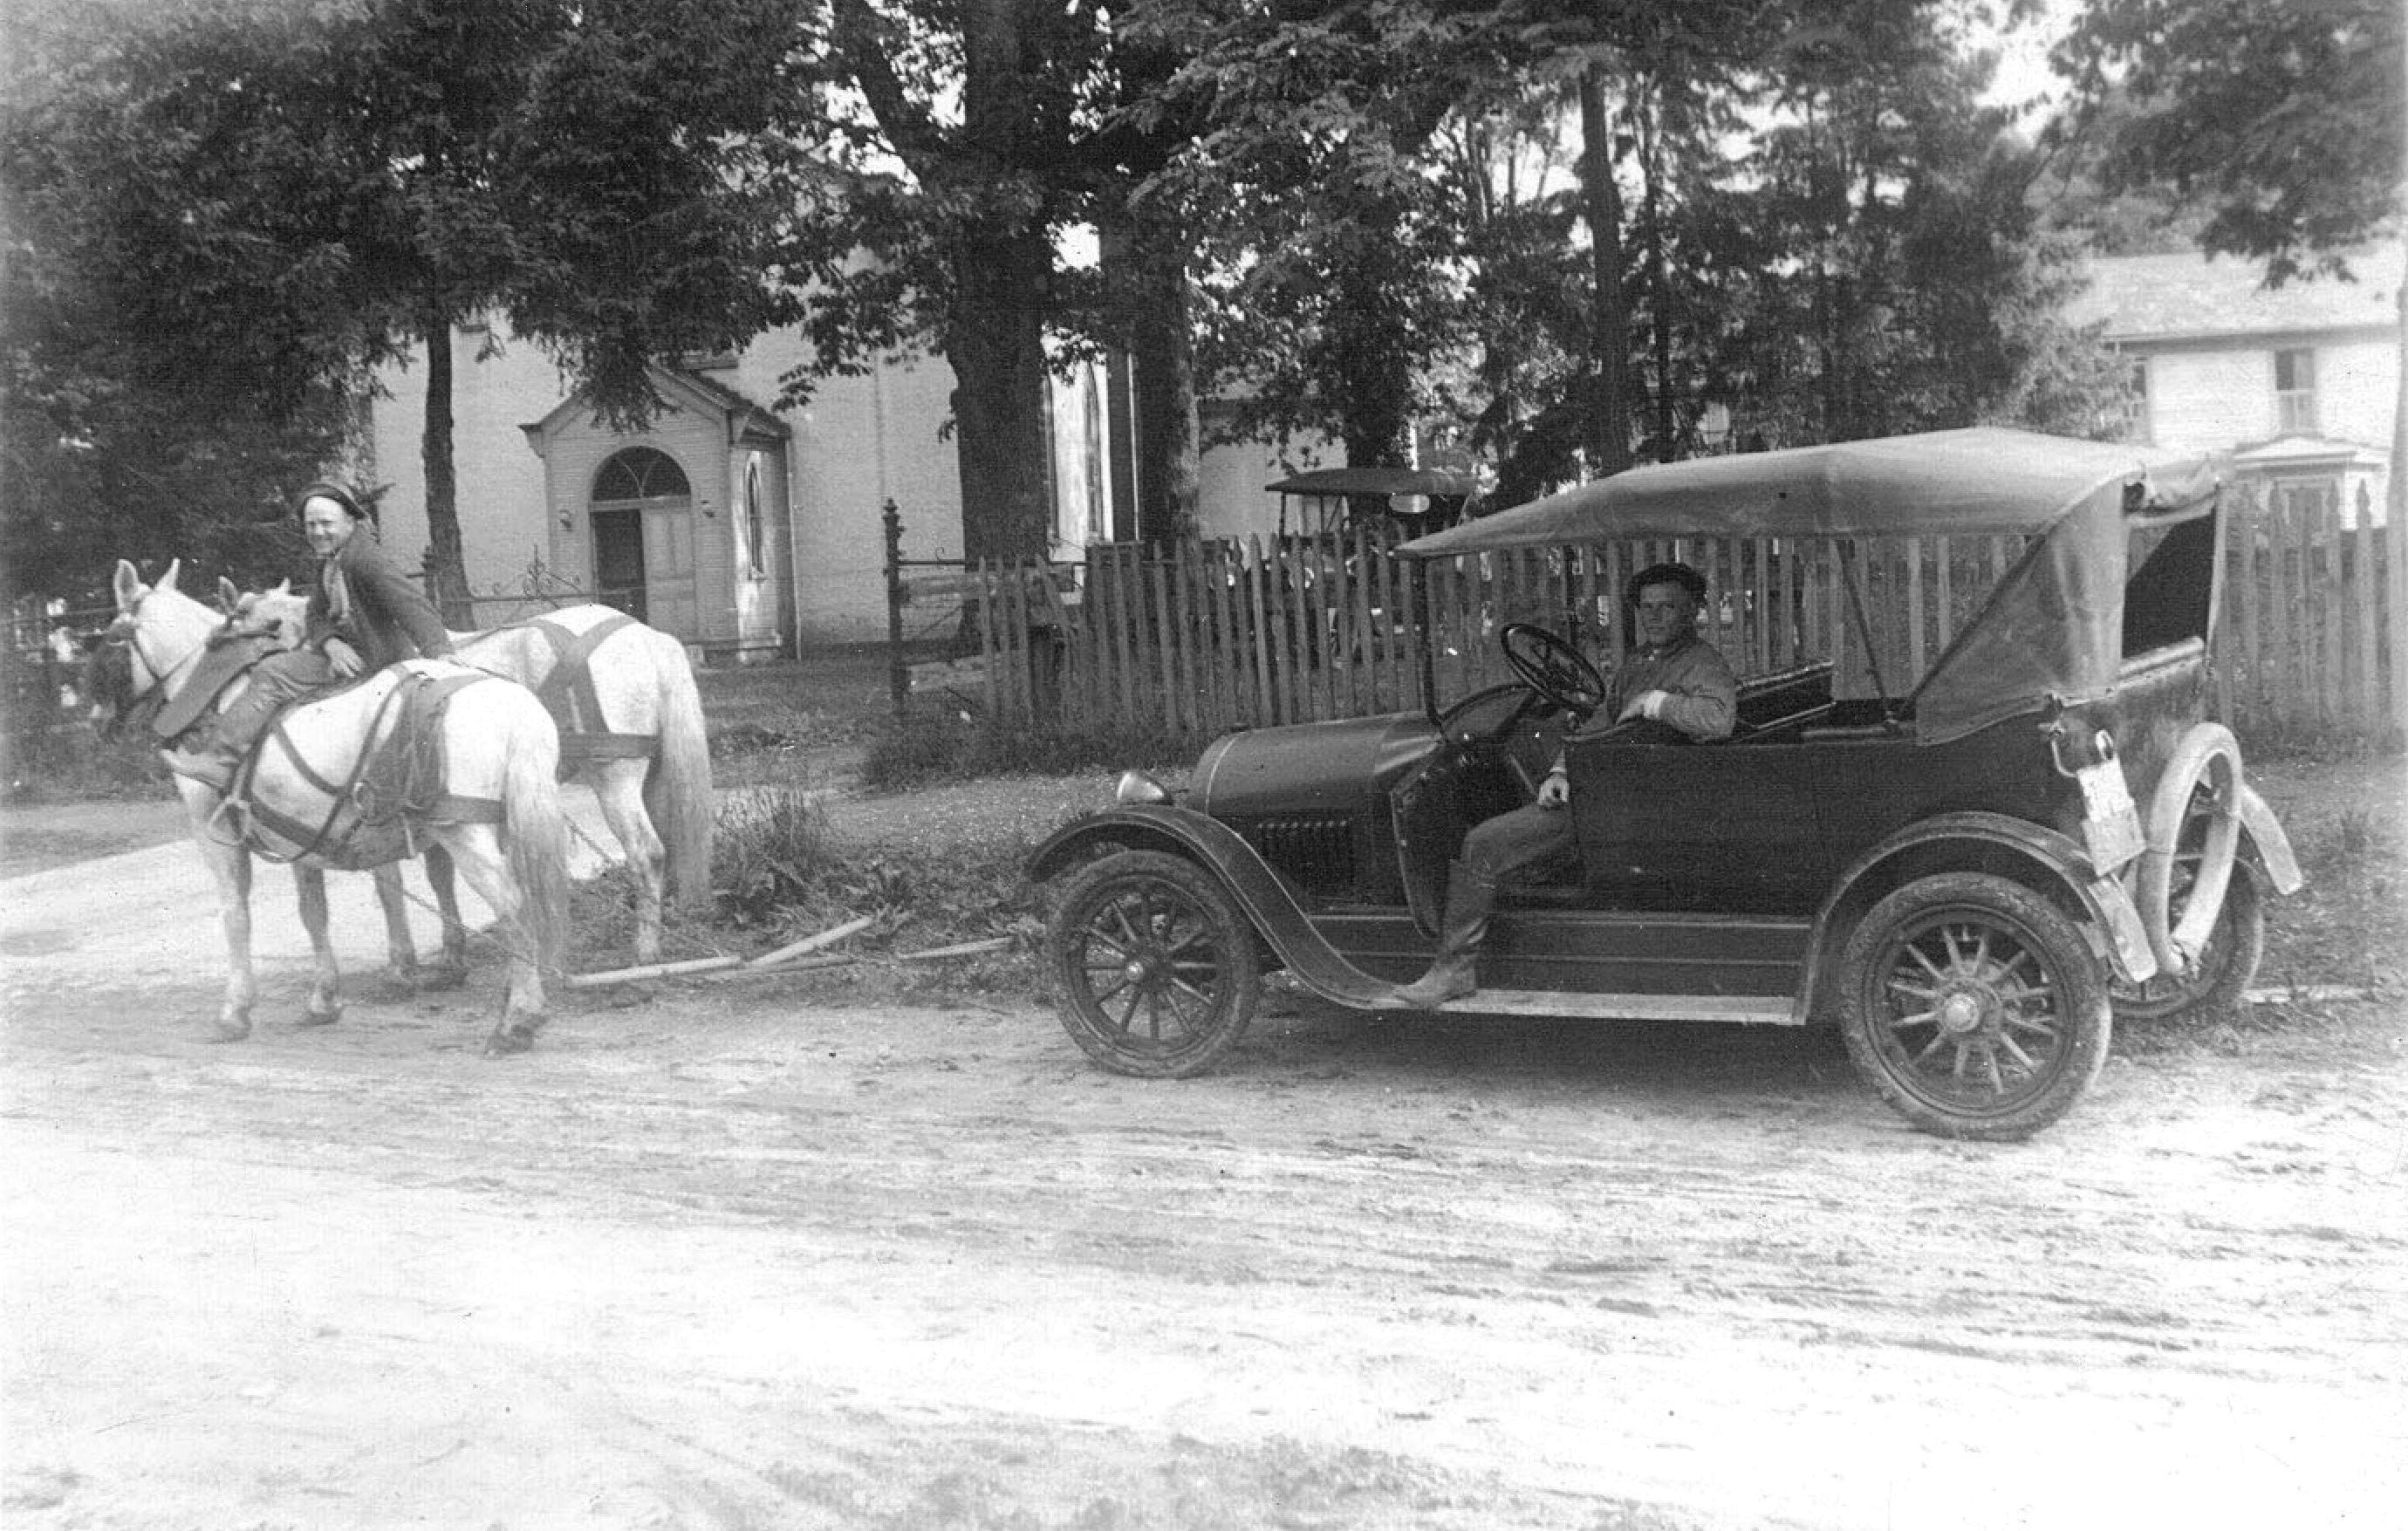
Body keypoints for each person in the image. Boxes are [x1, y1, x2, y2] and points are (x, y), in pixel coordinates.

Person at [1391, 561, 1738, 1008]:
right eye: (1647, 607)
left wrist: (1657, 704)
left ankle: (1454, 970)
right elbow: (1599, 723)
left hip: (1630, 803)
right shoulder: (1641, 663)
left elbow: (1718, 719)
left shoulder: (1702, 663)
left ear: (1691, 612)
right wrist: (1560, 772)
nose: (1653, 617)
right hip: (1604, 788)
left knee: (1481, 843)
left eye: (1667, 607)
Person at [164, 482, 455, 789]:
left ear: (350, 521)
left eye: (326, 523)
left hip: (374, 659)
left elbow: (410, 604)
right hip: (346, 653)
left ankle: (220, 762)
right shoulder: (330, 559)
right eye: (311, 525)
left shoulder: (366, 560)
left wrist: (439, 651)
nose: (318, 532)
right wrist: (331, 643)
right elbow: (315, 614)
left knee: (271, 672)